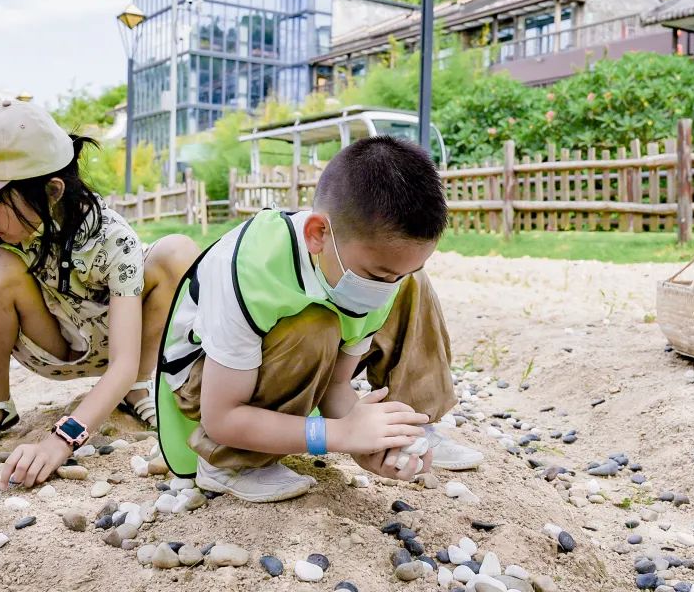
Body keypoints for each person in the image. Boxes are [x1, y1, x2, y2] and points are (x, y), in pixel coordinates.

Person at [0, 99, 193, 490]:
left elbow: (123, 362)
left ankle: (137, 392)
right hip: (49, 345)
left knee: (178, 252)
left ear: (52, 190)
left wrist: (60, 441)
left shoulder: (111, 238)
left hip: (118, 354)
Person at [155, 136, 483, 503]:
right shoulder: (250, 268)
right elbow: (223, 417)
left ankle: (408, 425)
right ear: (317, 234)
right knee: (315, 324)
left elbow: (335, 387)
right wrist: (339, 436)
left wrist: (374, 443)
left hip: (293, 372)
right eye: (377, 275)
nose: (387, 288)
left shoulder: (376, 271)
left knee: (410, 283)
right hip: (208, 386)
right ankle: (232, 462)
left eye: (396, 274)